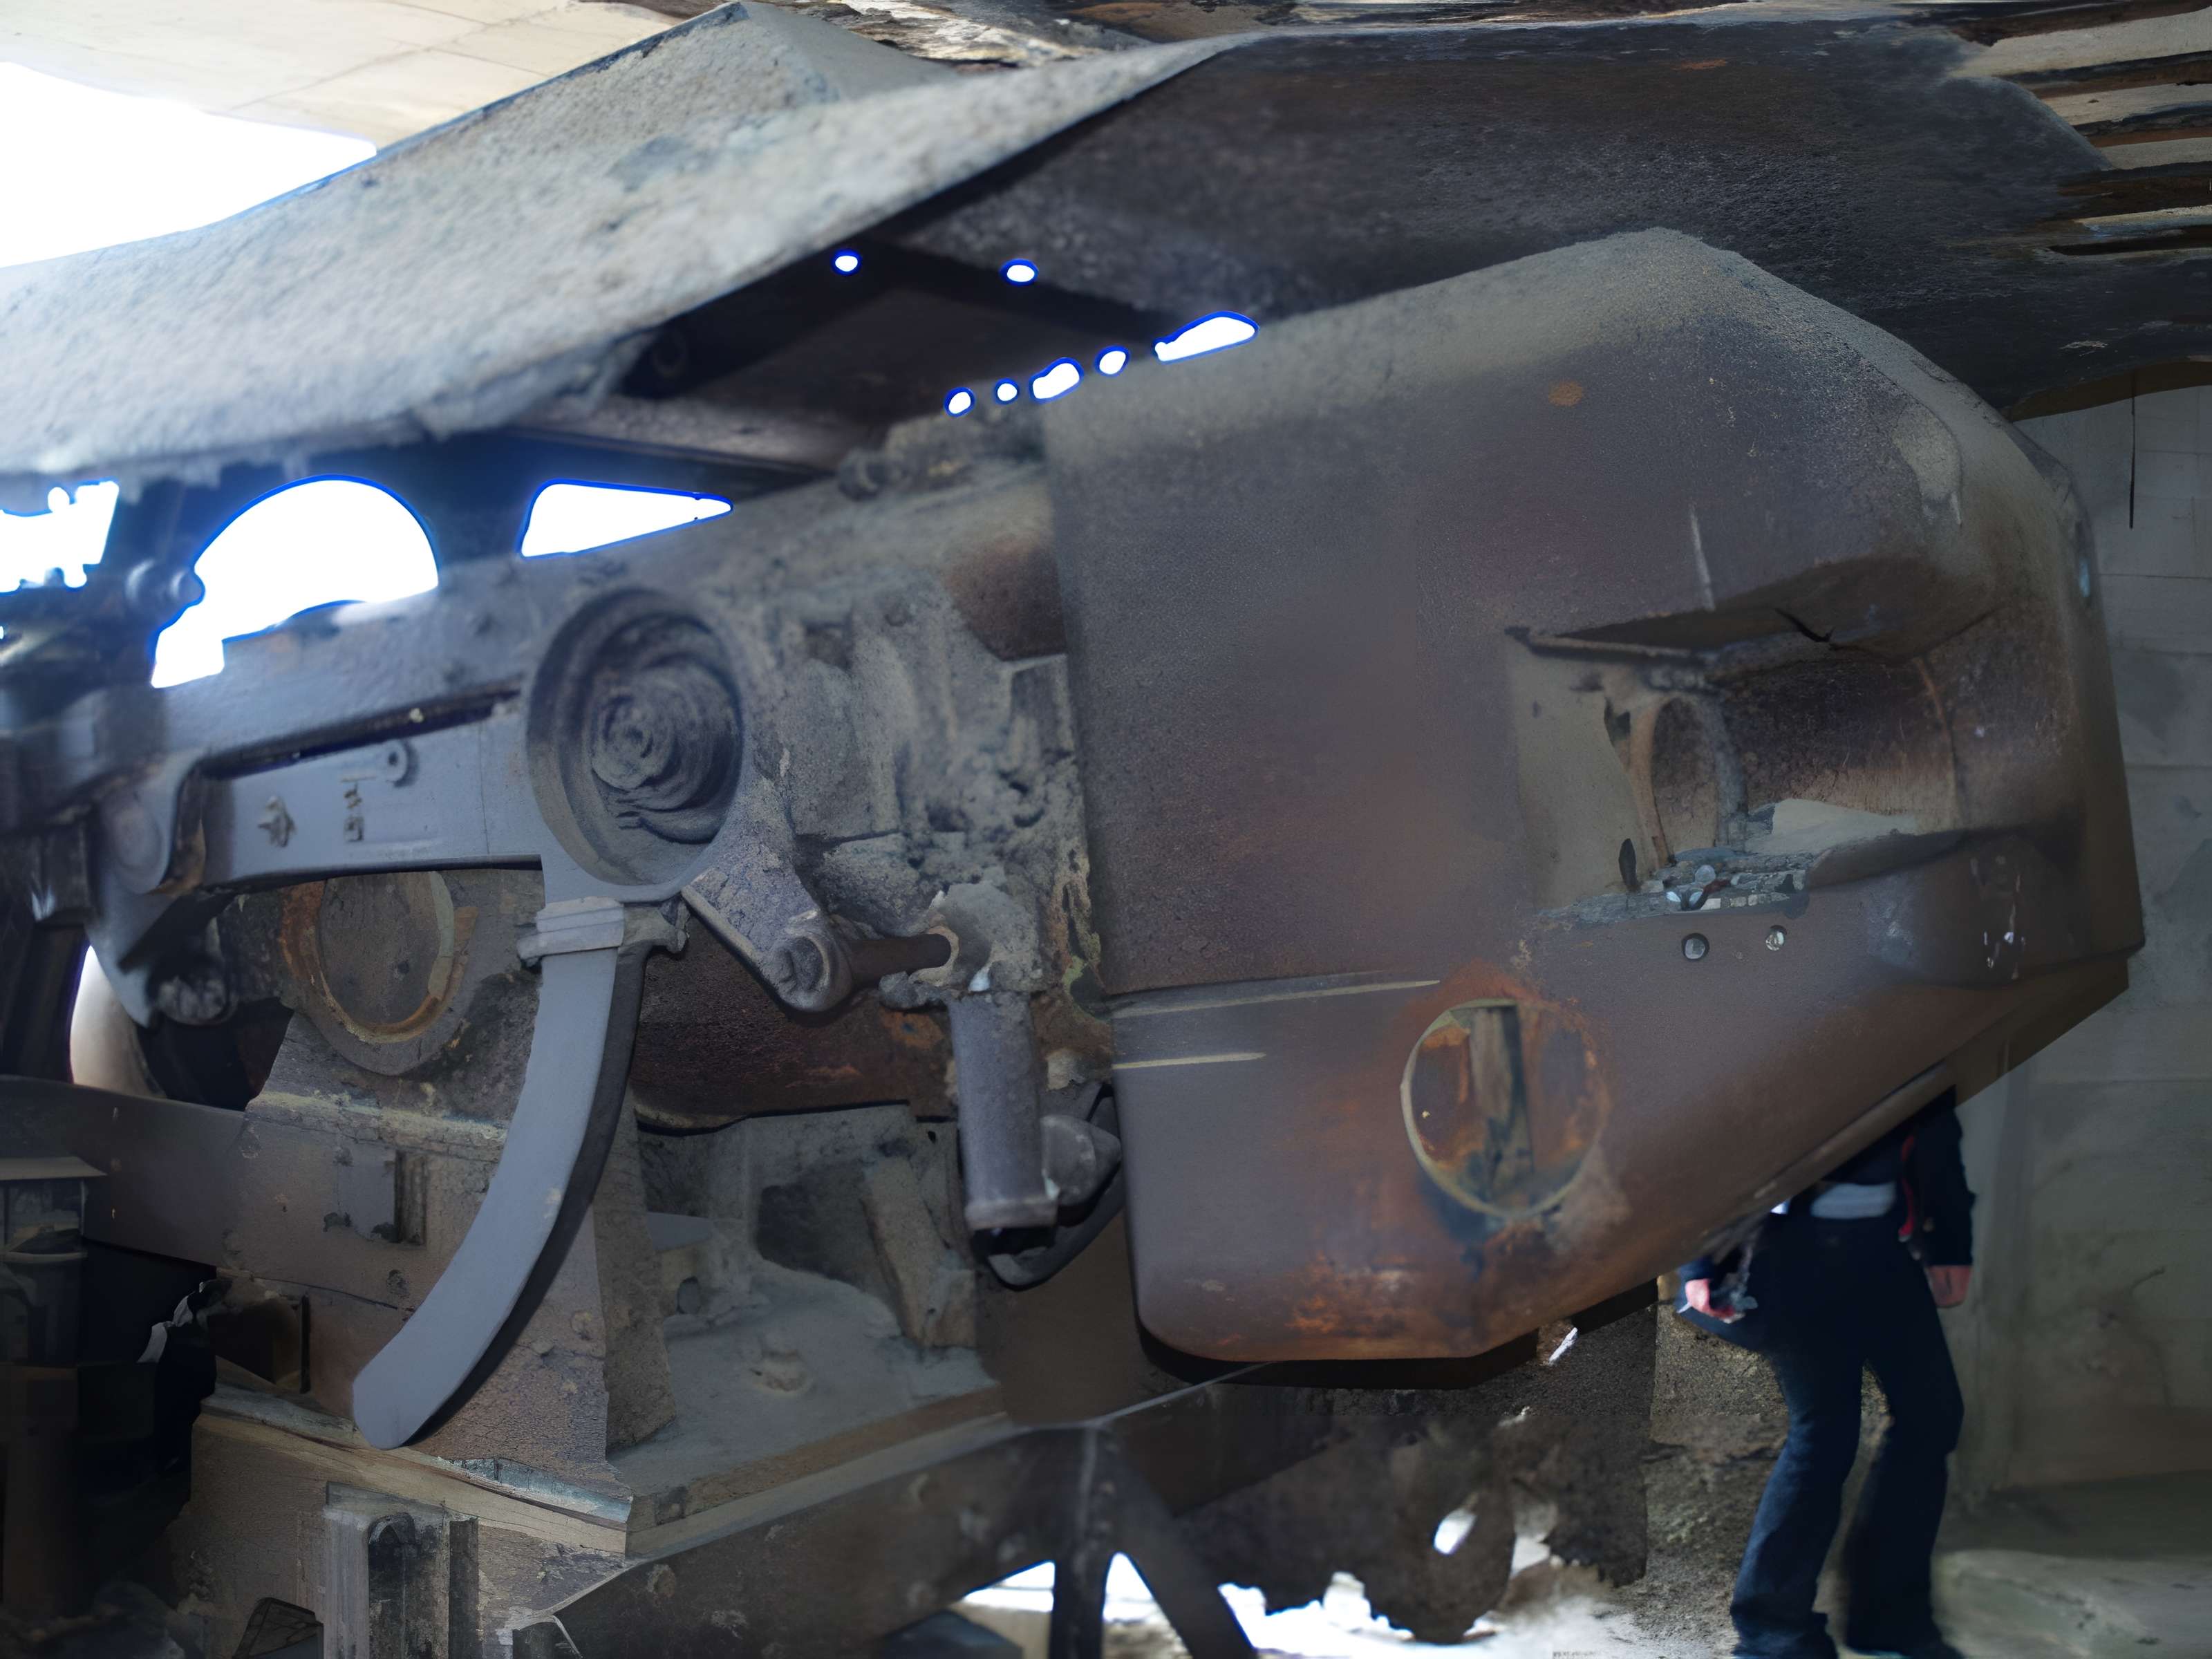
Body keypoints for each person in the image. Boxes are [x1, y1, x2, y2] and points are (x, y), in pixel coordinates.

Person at [1678, 1089, 1976, 1659]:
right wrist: (1700, 1259)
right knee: (1826, 1432)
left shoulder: (1922, 1022)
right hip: (1791, 1254)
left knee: (1934, 1416)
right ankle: (1772, 1632)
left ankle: (1889, 1618)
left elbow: (1937, 1130)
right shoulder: (1799, 1026)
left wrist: (1951, 1244)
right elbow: (1713, 1135)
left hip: (1883, 1253)